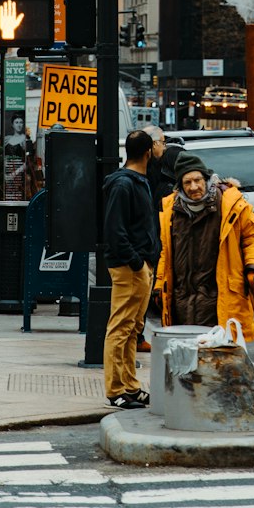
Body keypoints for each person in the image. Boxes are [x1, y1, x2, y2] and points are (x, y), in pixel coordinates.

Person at [155, 150, 254, 337]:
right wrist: (160, 284)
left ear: (206, 179)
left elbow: (253, 238)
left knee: (220, 355)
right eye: (187, 182)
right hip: (182, 300)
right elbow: (166, 252)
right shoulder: (171, 211)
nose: (193, 187)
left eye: (197, 180)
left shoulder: (230, 204)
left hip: (219, 298)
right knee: (189, 356)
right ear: (180, 187)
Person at [102, 129, 160, 410]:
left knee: (132, 327)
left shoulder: (137, 181)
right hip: (129, 266)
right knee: (121, 327)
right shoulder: (124, 184)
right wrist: (137, 262)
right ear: (148, 151)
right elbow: (115, 230)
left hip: (138, 263)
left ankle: (130, 385)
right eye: (158, 144)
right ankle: (116, 390)